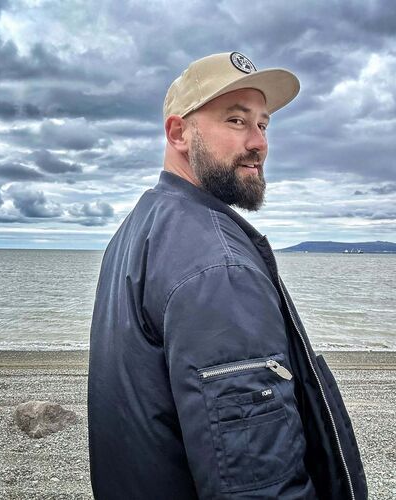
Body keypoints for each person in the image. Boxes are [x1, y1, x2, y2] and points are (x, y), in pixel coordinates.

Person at [87, 52, 367, 500]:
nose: (259, 143)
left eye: (263, 124)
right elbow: (258, 486)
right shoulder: (218, 266)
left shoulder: (139, 228)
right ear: (178, 133)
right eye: (236, 121)